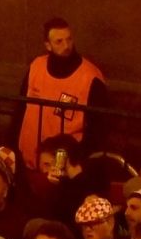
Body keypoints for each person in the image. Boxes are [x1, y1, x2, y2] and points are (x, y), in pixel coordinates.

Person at [17, 15, 106, 166]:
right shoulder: (36, 67)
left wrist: (77, 158)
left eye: (69, 39)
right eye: (59, 41)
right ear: (48, 45)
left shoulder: (91, 77)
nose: (66, 45)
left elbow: (99, 128)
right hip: (28, 159)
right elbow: (20, 108)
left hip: (62, 165)